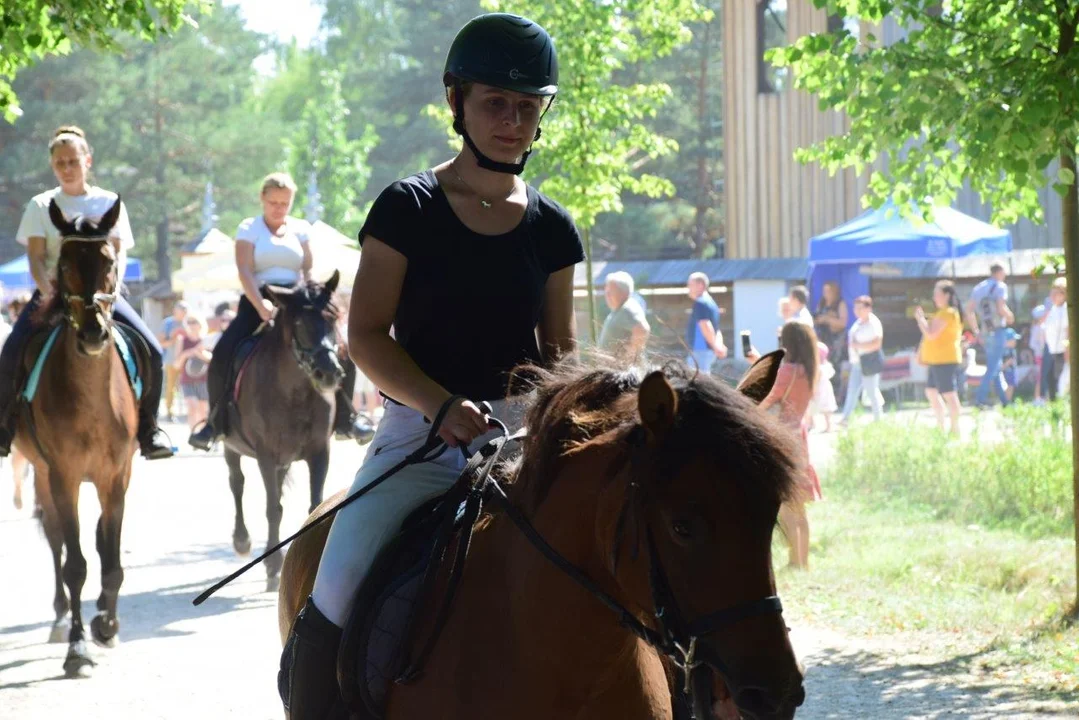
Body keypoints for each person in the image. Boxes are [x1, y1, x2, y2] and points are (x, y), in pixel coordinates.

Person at [279, 13, 583, 719]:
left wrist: (559, 416)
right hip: (416, 437)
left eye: (527, 107)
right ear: (457, 103)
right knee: (336, 586)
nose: (512, 121)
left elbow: (560, 348)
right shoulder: (407, 207)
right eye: (494, 103)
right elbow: (367, 336)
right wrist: (442, 407)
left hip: (519, 442)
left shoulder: (553, 228)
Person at [0, 125, 172, 460]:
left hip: (103, 297)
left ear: (87, 161)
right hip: (52, 293)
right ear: (53, 166)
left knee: (151, 349)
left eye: (73, 161)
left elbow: (118, 253)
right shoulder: (41, 205)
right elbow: (37, 257)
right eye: (60, 163)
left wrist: (108, 292)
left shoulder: (108, 202)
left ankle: (150, 428)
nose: (66, 168)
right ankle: (4, 424)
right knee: (11, 350)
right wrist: (48, 289)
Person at [188, 173, 368, 449]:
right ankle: (215, 422)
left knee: (341, 348)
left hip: (298, 300)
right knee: (225, 350)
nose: (279, 208)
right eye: (273, 202)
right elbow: (245, 270)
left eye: (285, 203)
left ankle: (347, 417)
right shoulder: (249, 228)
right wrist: (261, 306)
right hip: (259, 297)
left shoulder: (300, 229)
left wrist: (312, 298)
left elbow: (307, 270)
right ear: (262, 199)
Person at [753, 322, 822, 570]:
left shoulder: (787, 370)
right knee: (799, 506)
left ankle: (794, 561)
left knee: (785, 505)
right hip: (799, 434)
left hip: (782, 435)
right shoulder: (810, 369)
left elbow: (767, 397)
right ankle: (803, 561)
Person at [915, 280, 964, 434]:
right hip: (935, 359)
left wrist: (920, 320)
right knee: (931, 391)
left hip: (946, 359)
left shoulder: (948, 313)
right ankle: (940, 426)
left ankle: (955, 429)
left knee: (949, 393)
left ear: (947, 295)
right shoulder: (941, 313)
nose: (934, 297)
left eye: (937, 294)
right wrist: (921, 354)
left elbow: (931, 334)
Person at [967, 263, 1015, 408]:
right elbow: (1001, 308)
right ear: (999, 272)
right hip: (998, 330)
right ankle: (980, 398)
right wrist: (1010, 316)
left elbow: (969, 311)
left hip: (985, 331)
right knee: (993, 367)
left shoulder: (979, 287)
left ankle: (1005, 401)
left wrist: (976, 331)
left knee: (996, 364)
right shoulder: (1000, 286)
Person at [839, 295, 884, 424]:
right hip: (857, 362)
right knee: (852, 391)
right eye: (855, 308)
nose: (857, 311)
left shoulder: (873, 323)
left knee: (871, 391)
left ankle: (878, 419)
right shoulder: (858, 322)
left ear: (868, 308)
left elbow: (877, 344)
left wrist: (858, 345)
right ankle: (846, 418)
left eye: (860, 308)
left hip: (869, 361)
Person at [598, 271, 650, 361]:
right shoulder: (619, 310)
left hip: (625, 372)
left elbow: (642, 329)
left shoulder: (627, 308)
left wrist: (630, 357)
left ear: (623, 292)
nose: (607, 295)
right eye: (606, 292)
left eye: (611, 291)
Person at [174, 313, 211, 432]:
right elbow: (176, 364)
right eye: (188, 322)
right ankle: (193, 434)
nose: (191, 325)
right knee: (192, 407)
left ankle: (202, 433)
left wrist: (199, 353)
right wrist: (186, 354)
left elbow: (212, 360)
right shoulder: (182, 340)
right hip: (187, 380)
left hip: (203, 379)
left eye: (194, 322)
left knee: (203, 409)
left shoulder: (205, 340)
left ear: (200, 324)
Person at [685, 271, 726, 372]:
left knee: (697, 383)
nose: (688, 288)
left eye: (690, 285)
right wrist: (719, 345)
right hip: (706, 352)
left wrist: (715, 346)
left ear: (700, 285)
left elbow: (705, 325)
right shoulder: (711, 303)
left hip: (701, 351)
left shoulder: (700, 303)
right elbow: (717, 329)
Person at [814, 281, 848, 390]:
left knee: (835, 367)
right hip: (822, 338)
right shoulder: (822, 303)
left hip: (835, 340)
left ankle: (837, 394)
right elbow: (816, 317)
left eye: (828, 290)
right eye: (824, 290)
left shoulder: (840, 303)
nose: (826, 293)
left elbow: (843, 323)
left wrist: (827, 319)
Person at [159, 301, 189, 422]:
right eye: (181, 310)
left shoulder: (190, 322)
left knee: (188, 384)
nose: (183, 313)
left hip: (187, 360)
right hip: (171, 360)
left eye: (184, 311)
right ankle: (170, 411)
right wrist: (173, 338)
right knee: (171, 386)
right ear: (175, 311)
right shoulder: (168, 323)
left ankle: (190, 409)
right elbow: (161, 342)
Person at [1041, 277, 1069, 402]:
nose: (1052, 296)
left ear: (1063, 294)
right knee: (1049, 379)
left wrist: (1067, 350)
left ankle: (1060, 406)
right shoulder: (1052, 309)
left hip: (1061, 351)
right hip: (1050, 349)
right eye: (1051, 293)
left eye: (1055, 293)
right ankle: (1053, 406)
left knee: (1059, 381)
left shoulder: (1066, 310)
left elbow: (1068, 331)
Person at [1030, 304, 1048, 406]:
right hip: (1040, 356)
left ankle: (1041, 397)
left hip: (1041, 355)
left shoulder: (1041, 326)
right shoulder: (1038, 328)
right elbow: (1033, 344)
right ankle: (1037, 398)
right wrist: (1041, 349)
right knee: (1040, 377)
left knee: (1042, 376)